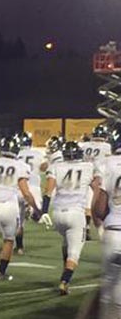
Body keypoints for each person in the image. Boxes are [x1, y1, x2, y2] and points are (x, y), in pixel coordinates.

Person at [0, 136, 41, 280]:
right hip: (10, 206)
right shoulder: (21, 166)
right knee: (9, 240)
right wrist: (37, 209)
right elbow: (25, 192)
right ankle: (1, 272)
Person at [39, 141, 97, 295]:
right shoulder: (88, 167)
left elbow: (48, 191)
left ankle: (65, 272)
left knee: (66, 240)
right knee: (74, 252)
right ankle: (65, 281)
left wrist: (44, 211)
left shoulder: (56, 167)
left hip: (58, 214)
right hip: (76, 213)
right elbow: (97, 186)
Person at [93, 125, 121, 318]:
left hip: (113, 228)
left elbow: (100, 207)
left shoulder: (108, 164)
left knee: (110, 283)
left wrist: (98, 219)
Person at [79, 125, 112, 241]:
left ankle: (86, 227)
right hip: (98, 175)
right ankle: (102, 229)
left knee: (87, 203)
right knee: (101, 203)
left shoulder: (84, 145)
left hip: (84, 174)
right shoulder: (107, 146)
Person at [15, 132, 46, 255]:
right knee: (38, 212)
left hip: (20, 186)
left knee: (19, 221)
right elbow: (43, 168)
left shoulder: (16, 154)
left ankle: (20, 247)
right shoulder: (38, 152)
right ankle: (32, 211)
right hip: (34, 186)